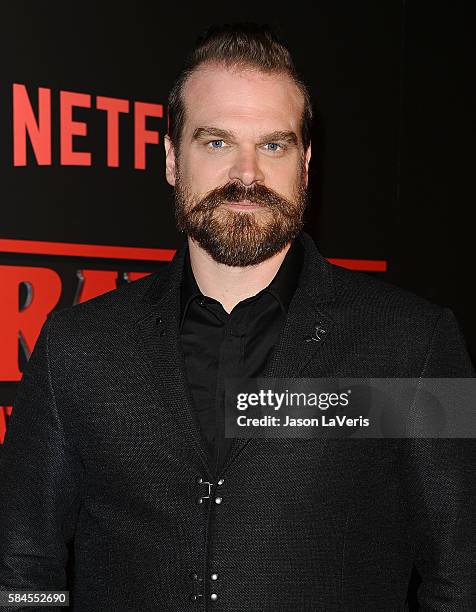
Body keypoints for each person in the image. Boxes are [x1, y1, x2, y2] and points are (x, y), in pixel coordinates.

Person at [0, 23, 474, 612]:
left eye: (273, 145)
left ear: (305, 164)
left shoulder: (417, 343)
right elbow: (23, 560)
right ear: (173, 158)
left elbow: (462, 573)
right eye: (217, 143)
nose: (247, 175)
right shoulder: (77, 345)